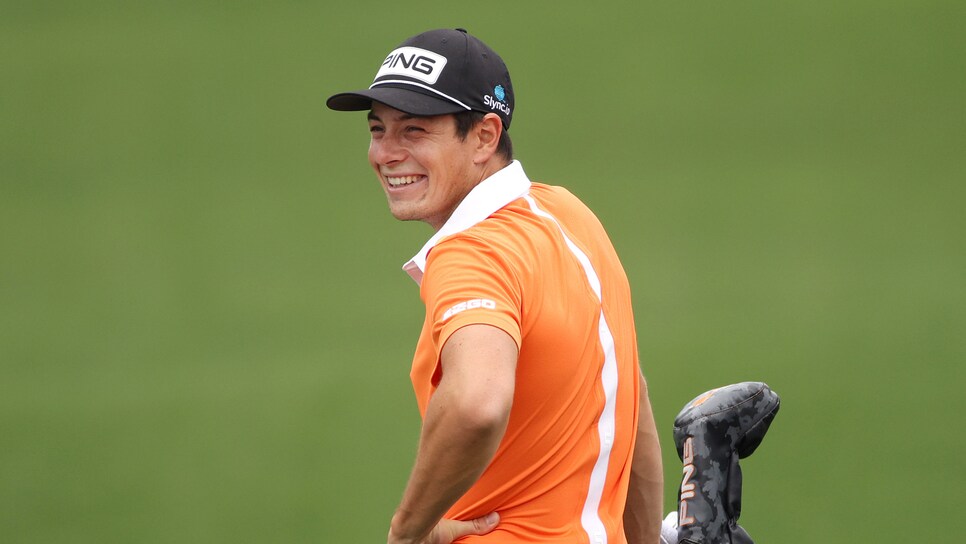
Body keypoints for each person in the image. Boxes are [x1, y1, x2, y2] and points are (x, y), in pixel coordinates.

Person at [327, 28, 663, 544]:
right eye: (378, 130)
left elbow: (475, 403)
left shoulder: (472, 255)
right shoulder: (569, 214)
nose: (386, 154)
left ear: (485, 136)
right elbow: (626, 402)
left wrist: (407, 532)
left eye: (414, 132)